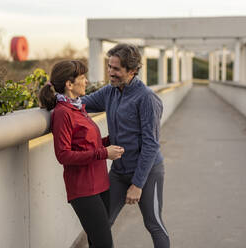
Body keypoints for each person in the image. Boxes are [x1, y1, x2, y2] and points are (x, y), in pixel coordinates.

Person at [82, 44, 170, 248]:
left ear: (132, 71)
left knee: (154, 224)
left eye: (116, 69)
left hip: (147, 173)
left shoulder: (147, 98)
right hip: (119, 172)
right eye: (109, 67)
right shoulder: (110, 92)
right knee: (99, 225)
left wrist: (137, 185)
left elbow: (151, 144)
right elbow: (82, 103)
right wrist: (55, 101)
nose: (110, 73)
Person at [38, 60, 124, 248]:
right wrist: (103, 153)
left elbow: (88, 145)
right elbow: (63, 155)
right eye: (82, 78)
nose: (86, 82)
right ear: (69, 84)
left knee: (97, 242)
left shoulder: (78, 108)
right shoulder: (63, 113)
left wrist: (110, 141)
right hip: (84, 189)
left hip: (101, 184)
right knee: (104, 244)